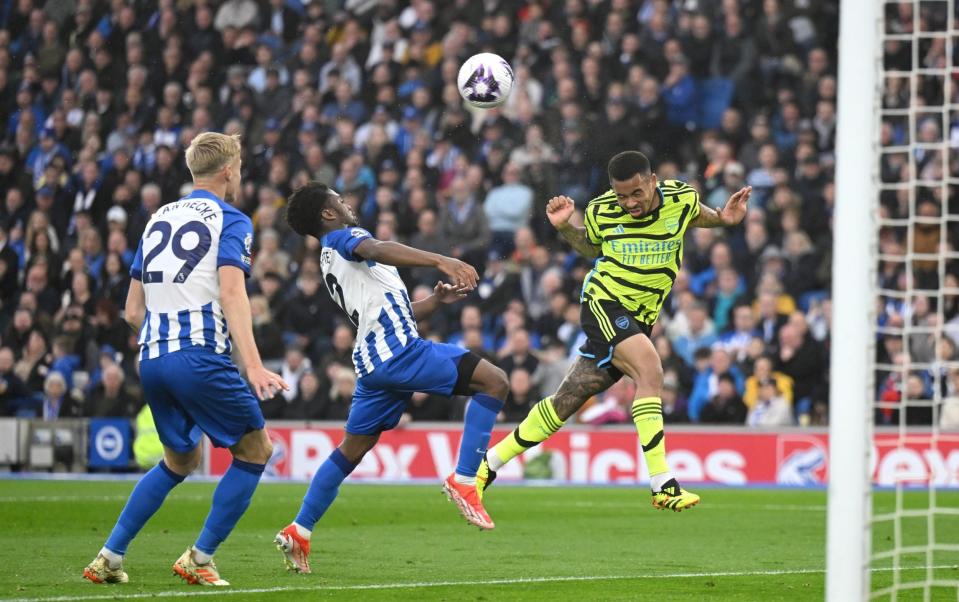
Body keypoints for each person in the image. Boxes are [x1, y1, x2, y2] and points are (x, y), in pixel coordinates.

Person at [481, 151, 751, 512]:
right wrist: (565, 228)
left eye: (636, 193)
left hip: (639, 318)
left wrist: (724, 219)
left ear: (652, 181)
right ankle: (662, 484)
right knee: (651, 371)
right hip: (604, 303)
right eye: (622, 195)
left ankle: (486, 466)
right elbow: (591, 247)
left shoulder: (681, 198)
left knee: (568, 399)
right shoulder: (602, 210)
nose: (629, 203)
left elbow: (697, 216)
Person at [84, 133, 289, 587]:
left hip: (152, 358)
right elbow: (234, 292)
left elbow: (132, 310)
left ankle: (109, 556)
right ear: (229, 171)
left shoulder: (159, 217)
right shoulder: (232, 219)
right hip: (197, 355)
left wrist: (164, 339)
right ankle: (200, 558)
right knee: (256, 449)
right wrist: (253, 365)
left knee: (180, 460)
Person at [275, 182, 510, 573]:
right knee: (496, 381)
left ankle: (300, 529)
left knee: (351, 450)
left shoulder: (328, 260)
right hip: (399, 353)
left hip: (373, 363)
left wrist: (435, 302)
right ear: (328, 214)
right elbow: (376, 247)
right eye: (338, 199)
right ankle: (465, 478)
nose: (346, 203)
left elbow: (386, 311)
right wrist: (441, 260)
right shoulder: (346, 238)